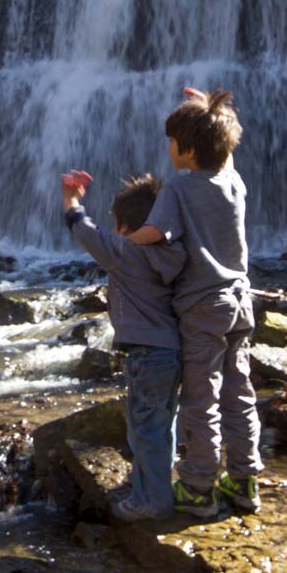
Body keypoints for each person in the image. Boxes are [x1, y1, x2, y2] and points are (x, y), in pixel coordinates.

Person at [125, 87, 262, 517]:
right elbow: (225, 154)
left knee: (201, 397)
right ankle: (244, 482)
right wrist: (212, 111)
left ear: (186, 149)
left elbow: (154, 233)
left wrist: (121, 243)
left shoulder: (179, 189)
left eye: (171, 141)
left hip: (203, 306)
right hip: (241, 302)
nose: (167, 148)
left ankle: (199, 487)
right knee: (240, 392)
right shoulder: (233, 181)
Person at [61, 169, 186, 522]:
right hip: (172, 354)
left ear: (126, 228)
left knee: (144, 429)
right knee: (162, 427)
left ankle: (151, 501)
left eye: (115, 223)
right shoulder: (173, 253)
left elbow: (85, 232)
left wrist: (70, 199)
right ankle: (158, 488)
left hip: (146, 355)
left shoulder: (126, 251)